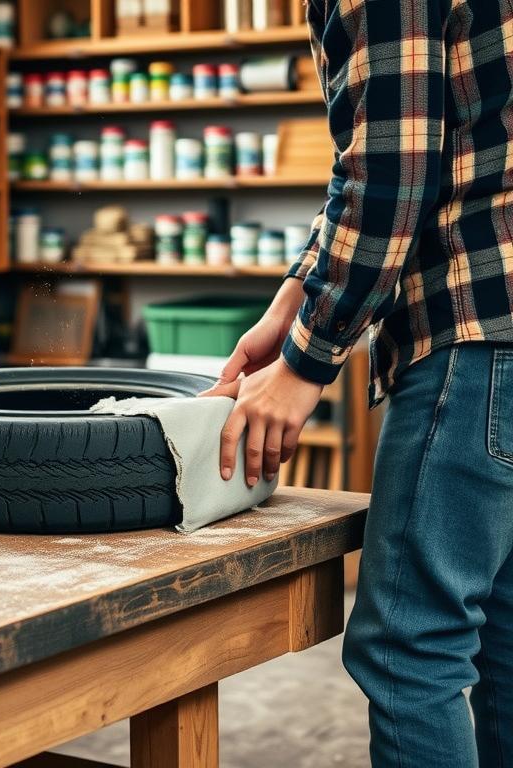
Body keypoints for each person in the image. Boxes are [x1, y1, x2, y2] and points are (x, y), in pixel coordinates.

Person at [200, 0, 513, 765]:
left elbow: (393, 176)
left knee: (408, 650)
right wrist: (294, 297)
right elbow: (411, 148)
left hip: (475, 336)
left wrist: (307, 363)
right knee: (505, 640)